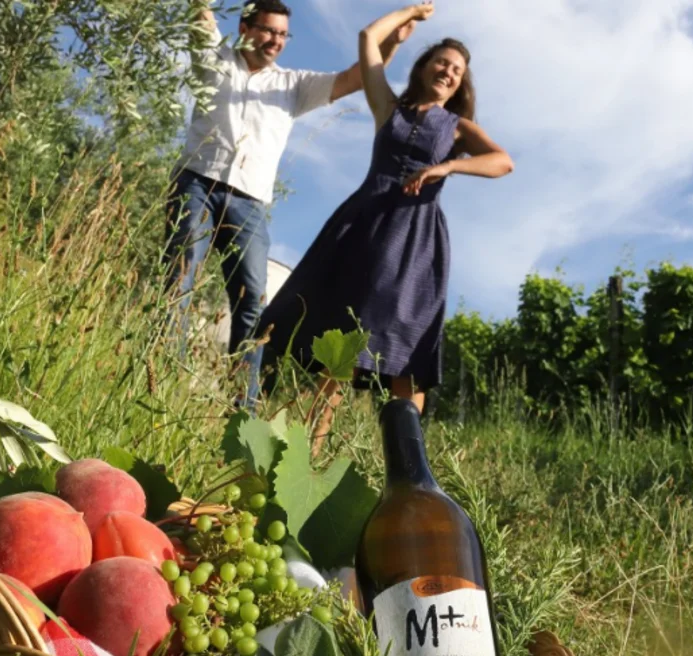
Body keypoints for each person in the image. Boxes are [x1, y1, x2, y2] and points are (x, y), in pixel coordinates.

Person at [254, 2, 514, 451]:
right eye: (442, 62)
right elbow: (368, 39)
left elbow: (502, 162)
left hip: (417, 243)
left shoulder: (457, 127)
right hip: (366, 230)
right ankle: (305, 454)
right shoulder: (389, 108)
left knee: (406, 356)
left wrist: (447, 166)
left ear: (460, 84)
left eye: (456, 70)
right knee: (344, 348)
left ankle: (409, 474)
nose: (448, 71)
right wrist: (411, 11)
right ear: (425, 66)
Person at [163, 0, 415, 410]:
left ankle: (242, 406)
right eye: (267, 31)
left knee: (251, 302)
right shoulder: (213, 57)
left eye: (282, 35)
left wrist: (394, 45)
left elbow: (355, 79)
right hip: (198, 182)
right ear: (245, 27)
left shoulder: (292, 85)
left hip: (250, 200)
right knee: (179, 281)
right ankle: (162, 377)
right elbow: (200, 11)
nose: (275, 41)